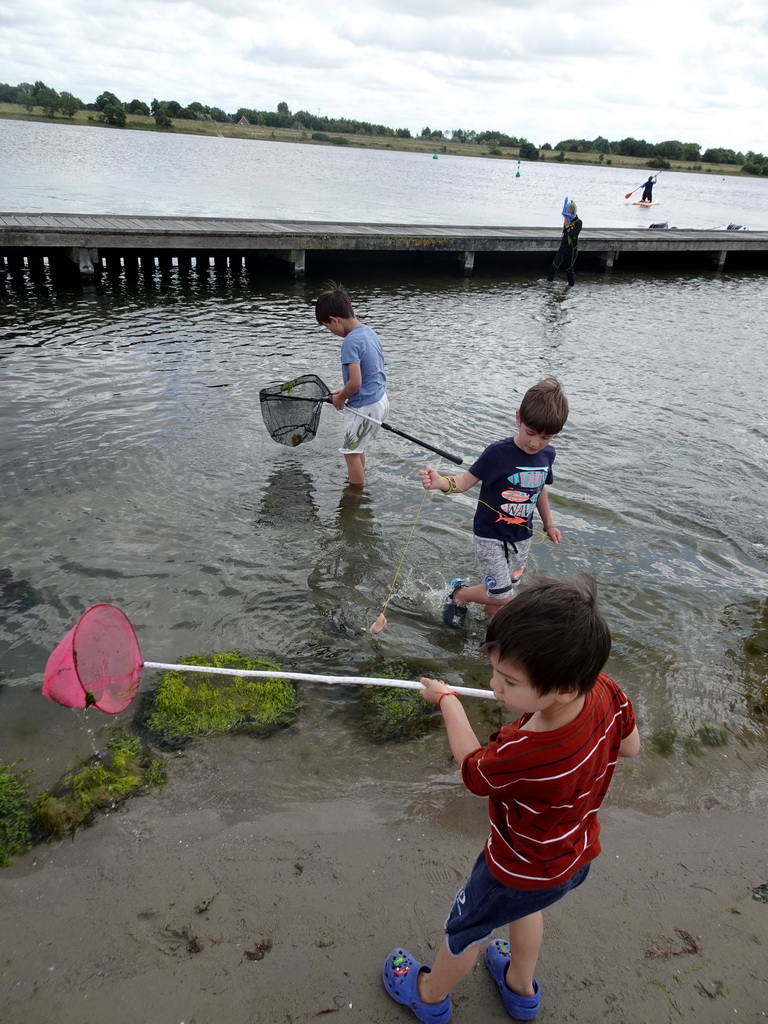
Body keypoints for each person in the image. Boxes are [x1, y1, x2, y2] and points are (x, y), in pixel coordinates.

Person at [382, 576, 640, 1023]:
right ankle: (521, 990)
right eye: (496, 672)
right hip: (570, 854)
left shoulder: (526, 751)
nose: (495, 686)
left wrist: (447, 702)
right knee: (530, 906)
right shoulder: (606, 690)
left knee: (465, 931)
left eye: (509, 681)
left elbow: (473, 770)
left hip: (514, 866)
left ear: (563, 689)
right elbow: (631, 746)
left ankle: (428, 995)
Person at [418, 377, 567, 628]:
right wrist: (440, 482)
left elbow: (540, 488)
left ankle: (489, 630)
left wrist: (549, 523)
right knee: (504, 595)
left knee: (502, 596)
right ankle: (459, 594)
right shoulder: (497, 453)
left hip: (522, 537)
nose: (535, 443)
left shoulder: (547, 455)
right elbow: (464, 482)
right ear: (518, 418)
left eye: (545, 437)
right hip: (490, 536)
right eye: (530, 433)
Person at [315, 282, 388, 487]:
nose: (331, 331)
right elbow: (371, 372)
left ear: (334, 320)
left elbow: (355, 381)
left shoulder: (349, 342)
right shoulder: (368, 332)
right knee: (357, 450)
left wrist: (340, 398)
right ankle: (359, 481)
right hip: (379, 400)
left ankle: (355, 495)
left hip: (364, 407)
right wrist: (344, 391)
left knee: (350, 455)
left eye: (328, 327)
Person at [547, 199, 581, 287]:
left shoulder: (578, 222)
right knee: (554, 266)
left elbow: (573, 235)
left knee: (569, 270)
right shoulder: (567, 220)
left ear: (572, 213)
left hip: (572, 249)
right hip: (563, 247)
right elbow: (565, 233)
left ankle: (570, 287)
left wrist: (568, 226)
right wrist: (566, 226)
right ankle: (548, 284)